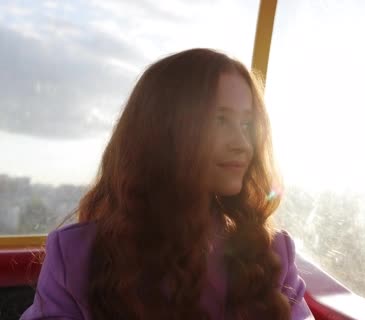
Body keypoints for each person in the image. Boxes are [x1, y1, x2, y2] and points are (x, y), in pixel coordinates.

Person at [20, 48, 314, 320]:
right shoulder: (76, 255)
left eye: (247, 124)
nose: (242, 143)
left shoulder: (271, 252)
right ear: (163, 131)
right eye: (219, 120)